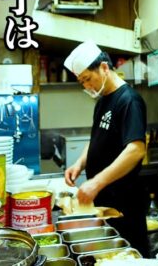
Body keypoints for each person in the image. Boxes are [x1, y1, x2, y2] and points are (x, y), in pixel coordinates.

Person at [63, 41, 149, 256]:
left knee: (129, 257)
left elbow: (136, 149)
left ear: (103, 67)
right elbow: (96, 139)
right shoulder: (103, 102)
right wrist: (79, 164)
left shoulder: (129, 100)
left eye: (87, 79)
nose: (86, 86)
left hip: (124, 205)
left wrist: (96, 182)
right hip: (104, 201)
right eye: (81, 82)